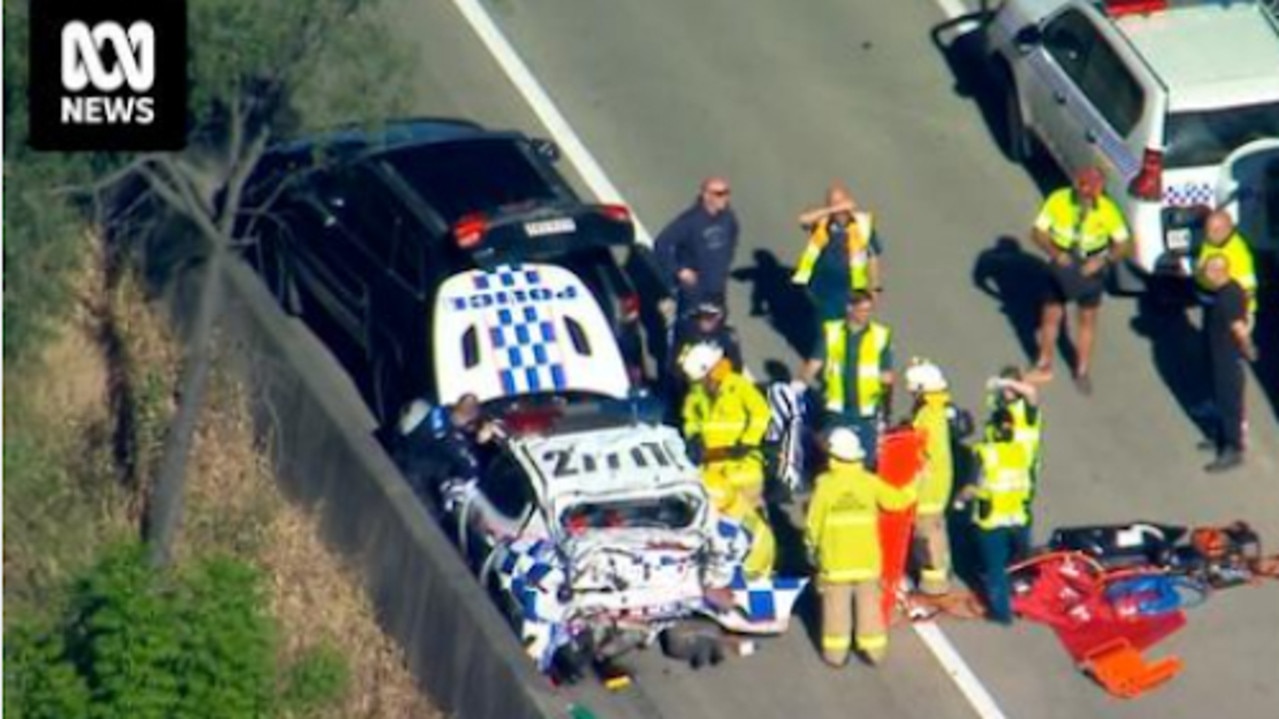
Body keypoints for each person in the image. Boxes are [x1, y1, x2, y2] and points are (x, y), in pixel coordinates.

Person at [806, 428, 916, 666]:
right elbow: (897, 502)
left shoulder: (824, 486)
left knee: (836, 611)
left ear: (833, 457)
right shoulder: (869, 482)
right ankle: (874, 652)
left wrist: (811, 549)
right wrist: (916, 483)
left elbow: (813, 524)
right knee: (869, 609)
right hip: (867, 562)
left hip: (835, 563)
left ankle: (836, 655)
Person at [1027, 166, 1131, 395]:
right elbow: (1037, 232)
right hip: (1061, 263)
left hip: (1091, 265)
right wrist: (1056, 253)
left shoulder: (1108, 211)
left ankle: (1082, 370)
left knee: (1087, 319)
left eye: (1092, 194)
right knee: (1051, 314)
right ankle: (1044, 364)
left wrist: (1102, 261)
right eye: (1084, 192)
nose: (1087, 199)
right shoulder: (1058, 200)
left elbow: (1124, 245)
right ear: (1076, 185)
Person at [956, 410, 1036, 624]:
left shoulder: (984, 452)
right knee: (1020, 562)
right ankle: (1028, 601)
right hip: (1017, 517)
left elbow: (972, 487)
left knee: (995, 569)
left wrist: (959, 501)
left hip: (992, 519)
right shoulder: (1022, 451)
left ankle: (1001, 612)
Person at [801, 290, 895, 470]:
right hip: (836, 408)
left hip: (866, 410)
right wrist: (798, 387)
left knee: (864, 460)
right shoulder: (832, 332)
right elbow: (814, 363)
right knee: (833, 455)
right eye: (861, 310)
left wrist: (886, 409)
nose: (865, 315)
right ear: (849, 308)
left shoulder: (880, 335)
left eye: (869, 310)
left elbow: (887, 377)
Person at [904, 360, 972, 596]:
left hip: (929, 485)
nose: (911, 393)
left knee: (927, 533)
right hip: (938, 481)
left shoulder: (927, 414)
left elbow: (925, 449)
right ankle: (939, 572)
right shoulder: (936, 409)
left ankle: (933, 583)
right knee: (934, 528)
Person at [792, 183, 884, 354]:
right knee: (828, 328)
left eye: (842, 203)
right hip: (822, 287)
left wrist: (875, 287)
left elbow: (873, 256)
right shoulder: (822, 221)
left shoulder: (862, 224)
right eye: (833, 203)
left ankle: (838, 358)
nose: (839, 210)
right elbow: (803, 220)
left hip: (850, 287)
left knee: (849, 326)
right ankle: (827, 360)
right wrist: (832, 210)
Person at [680, 342, 772, 510]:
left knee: (752, 519)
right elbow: (690, 418)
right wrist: (693, 436)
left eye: (702, 380)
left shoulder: (737, 385)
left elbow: (761, 412)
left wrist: (747, 442)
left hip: (743, 467)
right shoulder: (696, 394)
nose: (700, 384)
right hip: (712, 467)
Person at [1199, 255, 1259, 473]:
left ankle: (1233, 448)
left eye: (1208, 270)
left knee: (1229, 403)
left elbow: (1239, 328)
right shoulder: (1226, 291)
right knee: (1221, 400)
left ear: (1219, 271)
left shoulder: (1229, 296)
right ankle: (1222, 437)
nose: (1205, 274)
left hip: (1227, 359)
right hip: (1219, 355)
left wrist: (1248, 348)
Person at [393, 393, 500, 513]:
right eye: (473, 422)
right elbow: (470, 469)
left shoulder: (439, 410)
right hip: (415, 479)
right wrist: (479, 441)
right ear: (469, 420)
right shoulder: (451, 439)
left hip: (400, 457)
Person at [654, 177, 741, 322]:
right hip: (694, 291)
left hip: (717, 288)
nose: (725, 198)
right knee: (692, 331)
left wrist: (725, 262)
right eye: (719, 194)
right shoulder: (690, 221)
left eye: (727, 193)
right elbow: (661, 244)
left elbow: (733, 236)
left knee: (717, 329)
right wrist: (679, 270)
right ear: (706, 195)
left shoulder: (728, 217)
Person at [1196, 210, 1258, 319]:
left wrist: (1244, 314)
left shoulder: (1238, 252)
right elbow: (1201, 266)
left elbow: (1248, 287)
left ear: (1230, 229)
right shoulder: (1209, 242)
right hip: (1213, 302)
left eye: (1217, 230)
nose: (1211, 234)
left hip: (1235, 308)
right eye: (1208, 229)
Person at [984, 366, 1043, 480]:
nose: (1007, 391)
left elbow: (1031, 392)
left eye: (1010, 387)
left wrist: (1005, 382)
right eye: (1004, 388)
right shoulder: (998, 403)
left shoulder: (1026, 408)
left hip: (1022, 470)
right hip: (1000, 465)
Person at [671, 300, 744, 375]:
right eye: (702, 316)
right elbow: (675, 364)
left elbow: (736, 367)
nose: (705, 320)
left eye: (711, 317)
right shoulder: (688, 336)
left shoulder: (727, 338)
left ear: (719, 317)